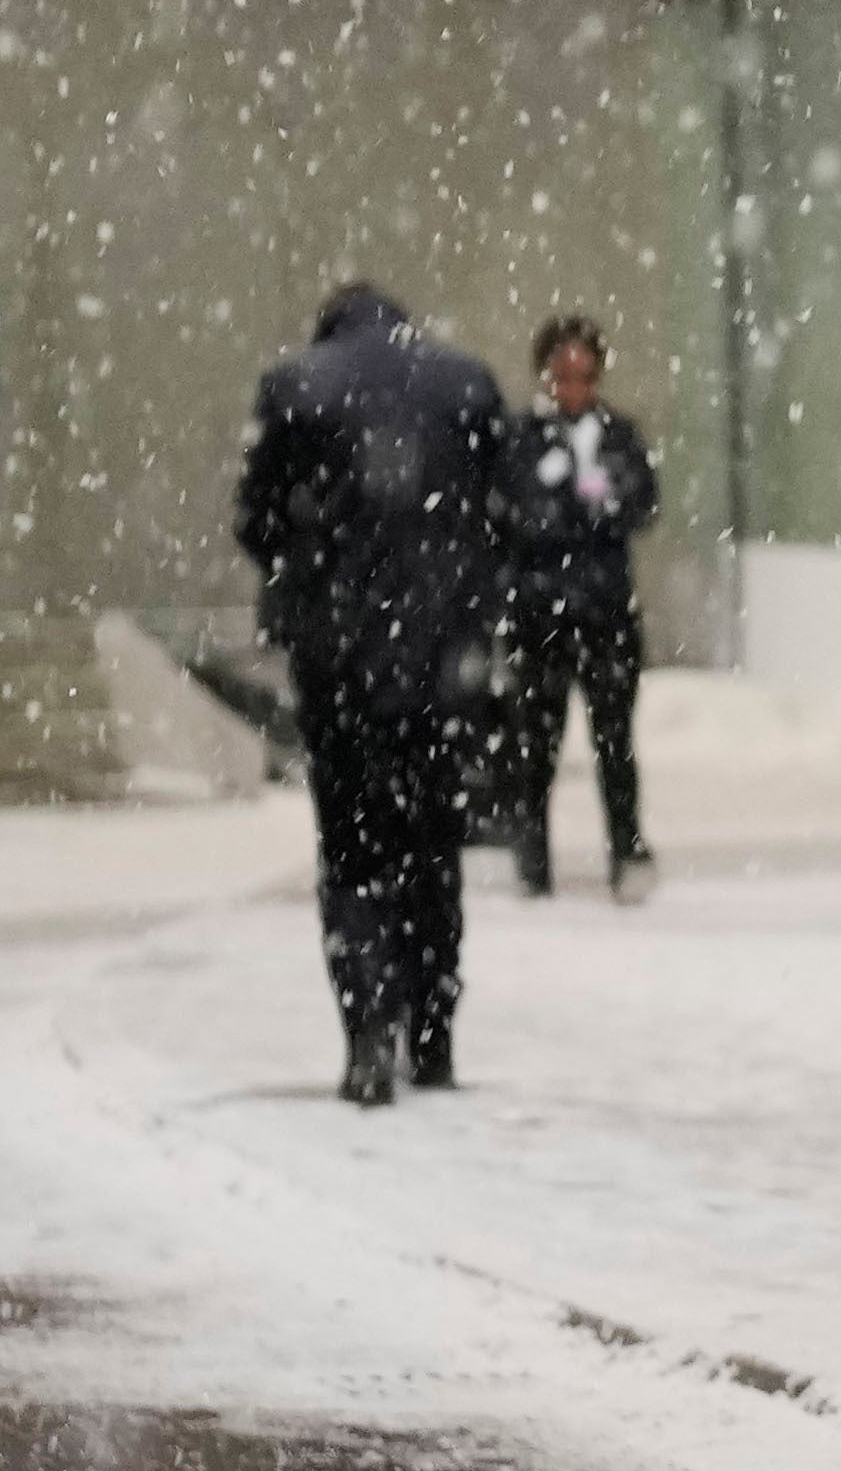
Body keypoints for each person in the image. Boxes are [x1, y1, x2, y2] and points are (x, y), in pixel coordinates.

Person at [235, 277, 521, 1101]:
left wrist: (310, 575)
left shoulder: (294, 388)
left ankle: (367, 1030)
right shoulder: (464, 383)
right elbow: (507, 512)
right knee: (433, 841)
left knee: (353, 847)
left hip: (338, 659)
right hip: (438, 661)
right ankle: (432, 1031)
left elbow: (255, 521)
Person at [501, 314, 664, 901]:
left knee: (614, 739)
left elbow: (642, 500)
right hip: (542, 615)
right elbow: (511, 512)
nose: (573, 387)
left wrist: (598, 502)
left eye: (584, 376)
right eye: (562, 375)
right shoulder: (520, 437)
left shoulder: (617, 435)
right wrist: (563, 503)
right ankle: (532, 856)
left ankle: (626, 847)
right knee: (536, 743)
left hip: (604, 611)